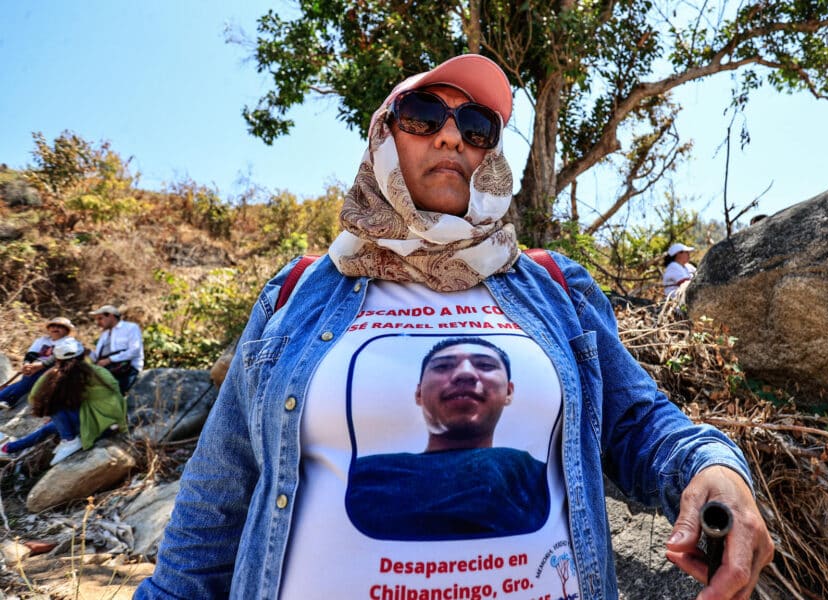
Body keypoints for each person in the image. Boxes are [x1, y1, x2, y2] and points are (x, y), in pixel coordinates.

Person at [137, 54, 772, 600]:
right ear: (384, 137)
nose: (450, 138)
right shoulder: (298, 292)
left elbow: (636, 423)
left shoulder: (555, 287)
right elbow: (218, 495)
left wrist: (712, 468)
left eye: (474, 126)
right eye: (421, 116)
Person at [346, 337, 548, 540]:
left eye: (485, 365)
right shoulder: (364, 473)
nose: (465, 373)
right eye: (443, 366)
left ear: (509, 392)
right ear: (418, 393)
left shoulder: (537, 475)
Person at [0, 337, 128, 466]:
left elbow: (35, 397)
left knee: (52, 403)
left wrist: (50, 373)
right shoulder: (98, 371)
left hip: (97, 425)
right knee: (47, 429)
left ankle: (69, 440)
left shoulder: (65, 377)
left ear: (57, 360)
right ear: (82, 356)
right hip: (114, 422)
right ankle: (8, 449)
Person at [0, 317, 75, 410]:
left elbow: (57, 357)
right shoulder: (42, 340)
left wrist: (41, 365)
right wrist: (27, 364)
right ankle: (3, 398)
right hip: (36, 365)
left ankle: (10, 399)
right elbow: (31, 354)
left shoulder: (69, 342)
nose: (56, 328)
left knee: (32, 378)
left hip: (54, 367)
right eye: (53, 326)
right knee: (26, 380)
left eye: (60, 327)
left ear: (67, 331)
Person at [88, 304, 143, 394]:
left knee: (110, 393)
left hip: (127, 370)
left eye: (100, 318)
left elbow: (135, 351)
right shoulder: (104, 334)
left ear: (111, 316)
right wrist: (87, 352)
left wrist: (109, 360)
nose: (98, 322)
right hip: (106, 370)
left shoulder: (130, 327)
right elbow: (97, 358)